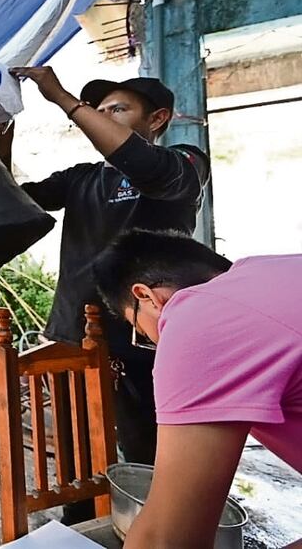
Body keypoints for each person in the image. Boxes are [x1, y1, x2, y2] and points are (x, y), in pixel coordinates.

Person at [0, 66, 210, 523]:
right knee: (76, 451)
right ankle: (80, 525)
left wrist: (64, 99)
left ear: (157, 118)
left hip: (143, 340)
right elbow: (13, 200)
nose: (102, 115)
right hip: (71, 330)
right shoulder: (82, 178)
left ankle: (154, 528)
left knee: (147, 450)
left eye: (118, 109)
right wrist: (2, 141)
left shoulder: (184, 165)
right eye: (99, 109)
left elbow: (147, 166)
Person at [93, 229, 301, 547]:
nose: (155, 343)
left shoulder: (198, 321)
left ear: (146, 296)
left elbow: (165, 540)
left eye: (142, 333)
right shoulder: (275, 270)